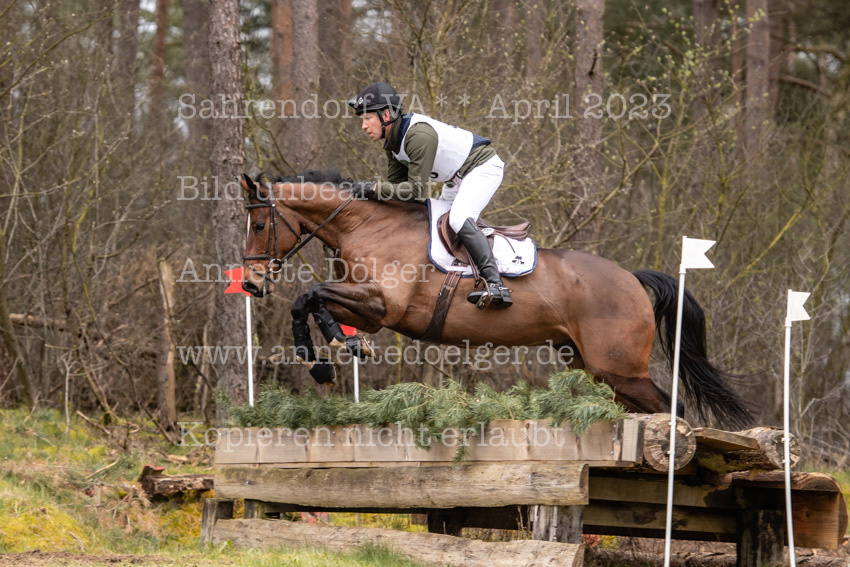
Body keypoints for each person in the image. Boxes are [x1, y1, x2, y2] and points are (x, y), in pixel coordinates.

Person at [347, 82, 512, 308]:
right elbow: (398, 194)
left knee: (458, 219)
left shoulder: (417, 135)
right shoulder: (393, 145)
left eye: (367, 118)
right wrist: (367, 196)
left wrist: (373, 188)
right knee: (434, 224)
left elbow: (414, 190)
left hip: (482, 168)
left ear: (385, 115)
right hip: (455, 179)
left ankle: (496, 284)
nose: (363, 126)